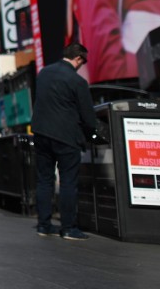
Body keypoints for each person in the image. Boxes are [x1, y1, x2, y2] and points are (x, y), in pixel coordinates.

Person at [31, 42, 96, 241]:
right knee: (68, 182)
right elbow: (88, 116)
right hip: (66, 137)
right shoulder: (77, 81)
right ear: (78, 59)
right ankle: (68, 228)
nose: (81, 66)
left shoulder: (44, 73)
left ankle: (44, 225)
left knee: (44, 180)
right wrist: (91, 133)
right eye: (82, 63)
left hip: (41, 133)